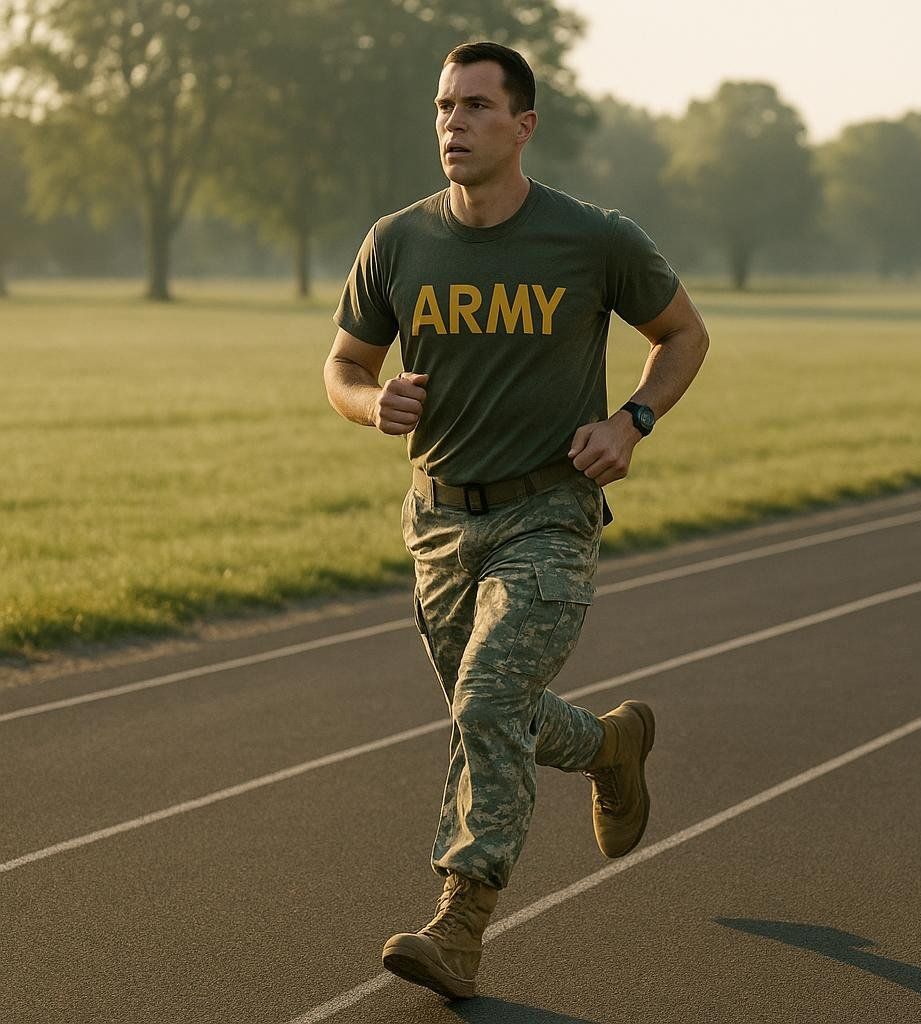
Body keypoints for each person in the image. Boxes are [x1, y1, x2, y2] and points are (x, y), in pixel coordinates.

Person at [323, 41, 709, 1000]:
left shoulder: (592, 238)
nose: (453, 123)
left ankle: (460, 923)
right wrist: (373, 405)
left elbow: (683, 334)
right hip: (441, 522)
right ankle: (613, 747)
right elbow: (342, 367)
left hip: (549, 512)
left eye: (476, 107)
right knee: (487, 709)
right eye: (444, 106)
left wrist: (634, 419)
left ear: (523, 126)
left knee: (488, 700)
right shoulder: (397, 242)